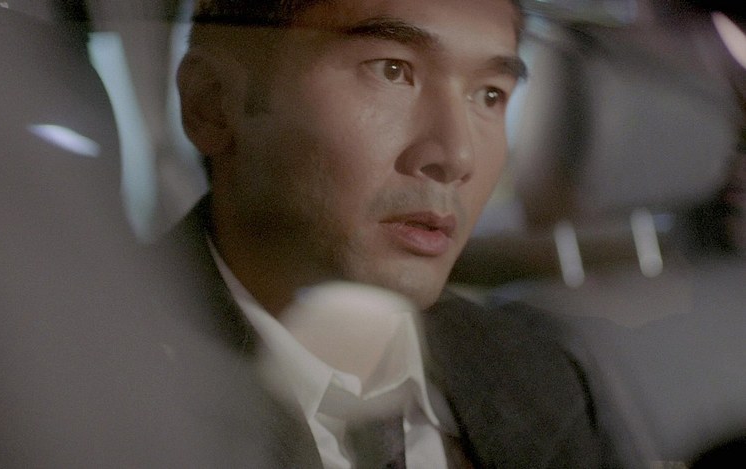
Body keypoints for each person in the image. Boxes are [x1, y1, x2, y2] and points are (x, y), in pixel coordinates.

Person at [167, 0, 639, 467]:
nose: (457, 156)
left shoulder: (541, 376)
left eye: (490, 95)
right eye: (392, 71)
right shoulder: (131, 394)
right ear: (212, 103)